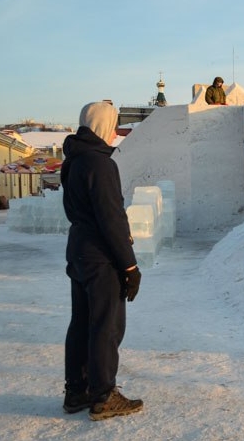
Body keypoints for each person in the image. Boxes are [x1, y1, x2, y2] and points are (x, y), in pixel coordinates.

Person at [61, 102, 143, 421]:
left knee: (81, 322)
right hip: (100, 255)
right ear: (102, 126)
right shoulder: (101, 164)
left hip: (79, 249)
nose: (113, 132)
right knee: (106, 325)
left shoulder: (74, 161)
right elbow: (111, 218)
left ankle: (76, 390)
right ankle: (103, 394)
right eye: (112, 125)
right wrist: (130, 266)